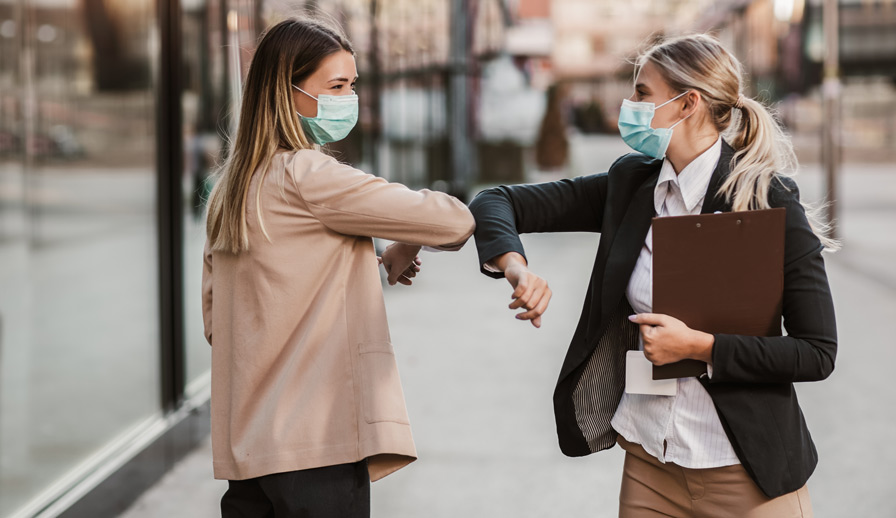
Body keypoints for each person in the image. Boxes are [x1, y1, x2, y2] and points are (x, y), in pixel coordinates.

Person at [468, 34, 836, 517]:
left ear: (688, 104)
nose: (630, 104)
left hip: (746, 476)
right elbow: (497, 200)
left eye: (642, 92)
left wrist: (701, 348)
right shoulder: (632, 185)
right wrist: (515, 268)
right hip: (649, 467)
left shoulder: (768, 200)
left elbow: (816, 352)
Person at [201, 17, 474, 518]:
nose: (349, 98)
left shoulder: (232, 190)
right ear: (288, 93)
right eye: (337, 86)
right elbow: (453, 220)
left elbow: (219, 321)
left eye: (352, 85)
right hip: (316, 447)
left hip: (250, 452)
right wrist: (406, 241)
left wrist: (376, 256)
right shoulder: (309, 175)